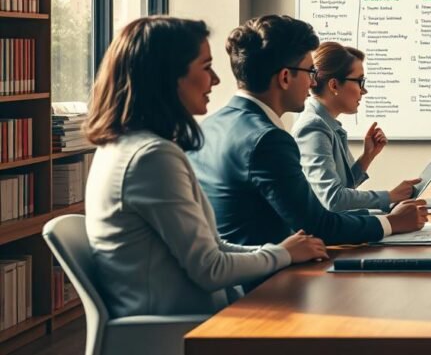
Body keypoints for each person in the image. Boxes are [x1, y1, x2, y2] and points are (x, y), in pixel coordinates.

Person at [84, 16, 328, 317]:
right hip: (188, 328)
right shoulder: (151, 158)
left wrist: (285, 251)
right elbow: (211, 269)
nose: (215, 79)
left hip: (193, 317)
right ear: (168, 75)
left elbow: (212, 247)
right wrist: (281, 253)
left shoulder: (122, 146)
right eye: (205, 66)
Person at [188, 15, 427, 257]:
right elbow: (318, 225)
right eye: (310, 71)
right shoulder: (268, 139)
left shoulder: (209, 126)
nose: (313, 81)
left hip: (236, 275)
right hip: (267, 283)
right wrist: (392, 223)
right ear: (284, 78)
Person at [292, 42, 420, 213]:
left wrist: (367, 156)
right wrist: (389, 196)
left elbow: (343, 188)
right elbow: (333, 199)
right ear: (334, 85)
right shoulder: (314, 128)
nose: (364, 91)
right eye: (359, 81)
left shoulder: (326, 124)